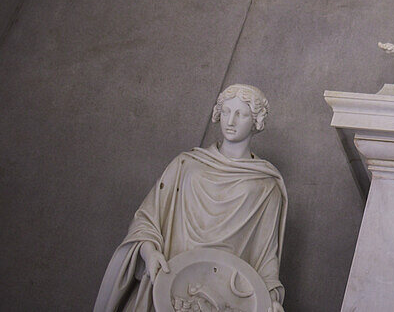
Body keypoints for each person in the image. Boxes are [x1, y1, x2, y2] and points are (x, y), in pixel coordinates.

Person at [95, 84, 287, 312]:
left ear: (256, 121)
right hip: (168, 279)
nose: (231, 121)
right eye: (226, 111)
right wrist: (150, 252)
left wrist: (270, 298)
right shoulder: (186, 165)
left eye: (241, 114)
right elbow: (148, 218)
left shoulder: (265, 185)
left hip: (221, 297)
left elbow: (265, 256)